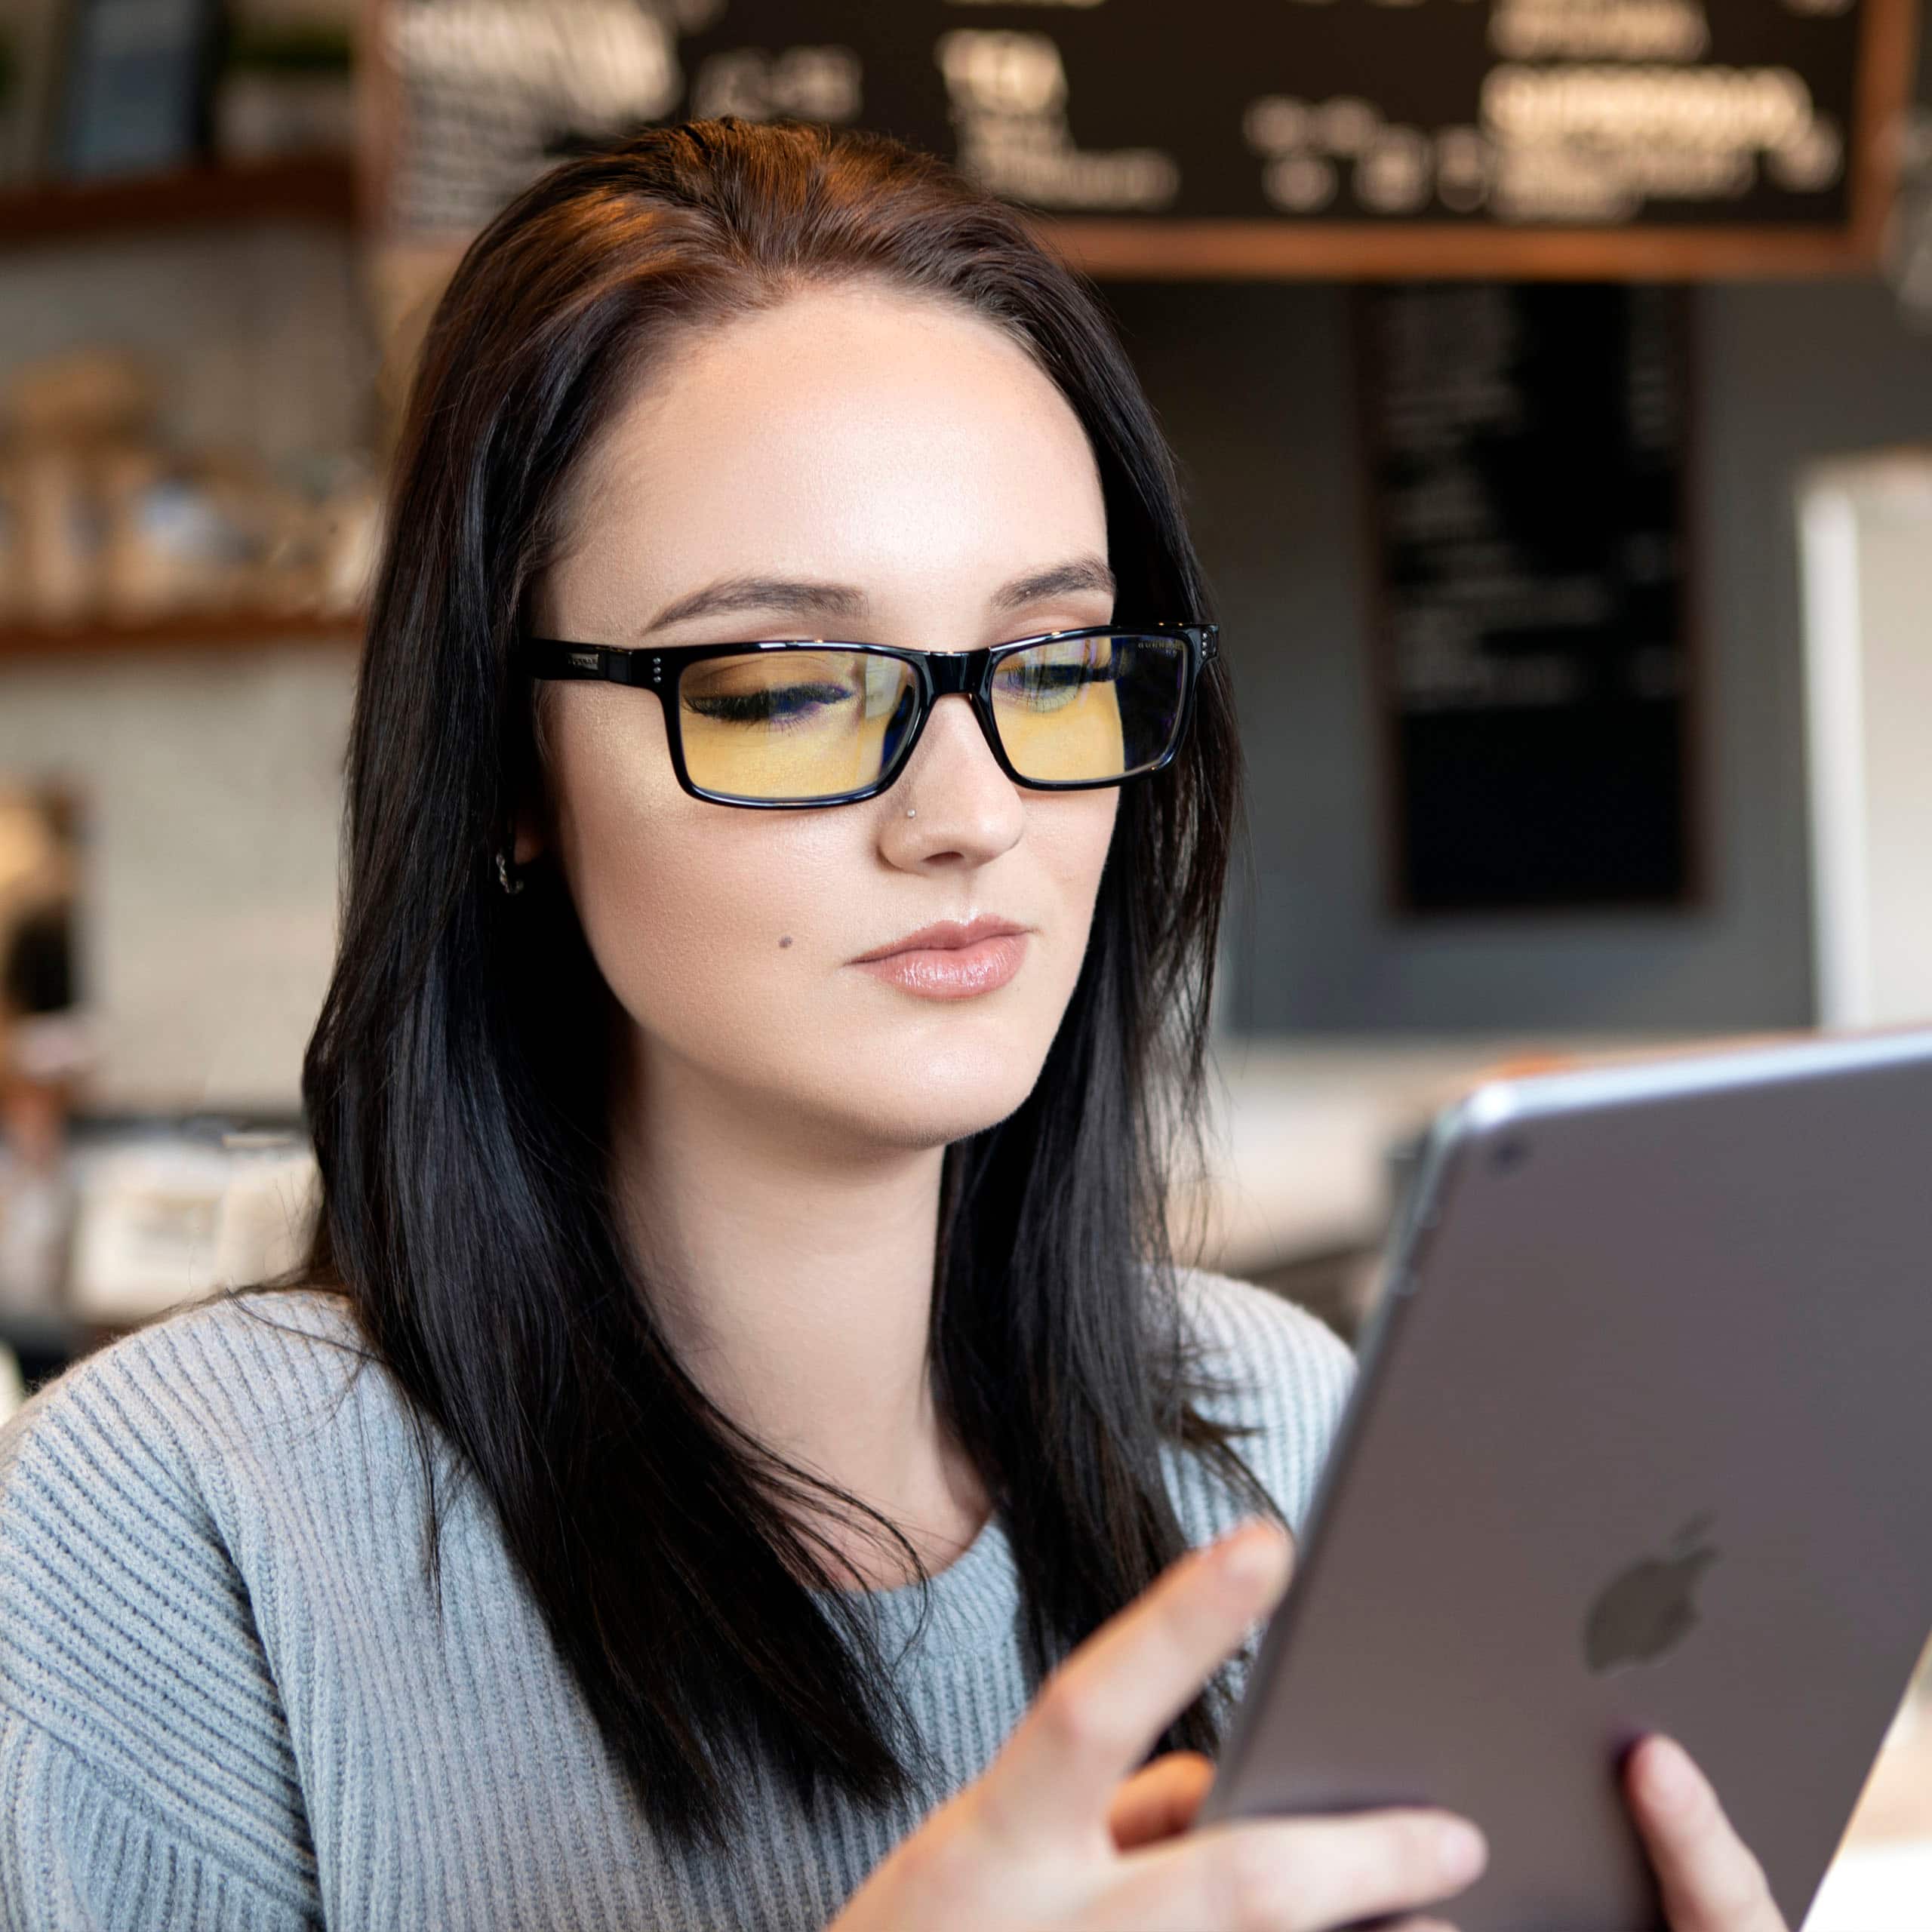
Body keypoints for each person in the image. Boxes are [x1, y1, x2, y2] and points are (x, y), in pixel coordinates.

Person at [0, 119, 1786, 1932]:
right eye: (783, 687)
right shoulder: (179, 1523)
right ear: (507, 765)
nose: (968, 812)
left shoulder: (1283, 1428)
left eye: (1056, 666)